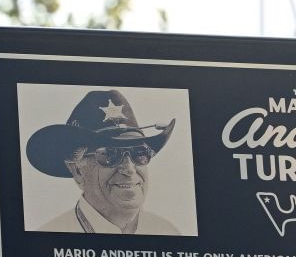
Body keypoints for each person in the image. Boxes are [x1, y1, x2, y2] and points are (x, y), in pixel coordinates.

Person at [25, 88, 184, 235]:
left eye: (139, 153)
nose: (129, 169)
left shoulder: (169, 232)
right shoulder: (49, 238)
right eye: (110, 155)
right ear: (78, 171)